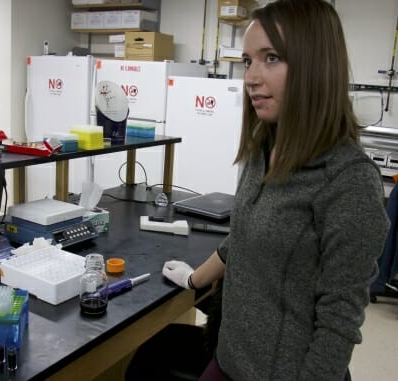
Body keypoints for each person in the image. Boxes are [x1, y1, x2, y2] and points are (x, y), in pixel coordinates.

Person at [160, 0, 390, 380]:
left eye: (271, 58)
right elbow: (245, 236)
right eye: (248, 60)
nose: (250, 77)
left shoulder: (349, 181)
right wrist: (194, 279)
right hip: (228, 357)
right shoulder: (263, 146)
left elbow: (339, 324)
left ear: (316, 67)